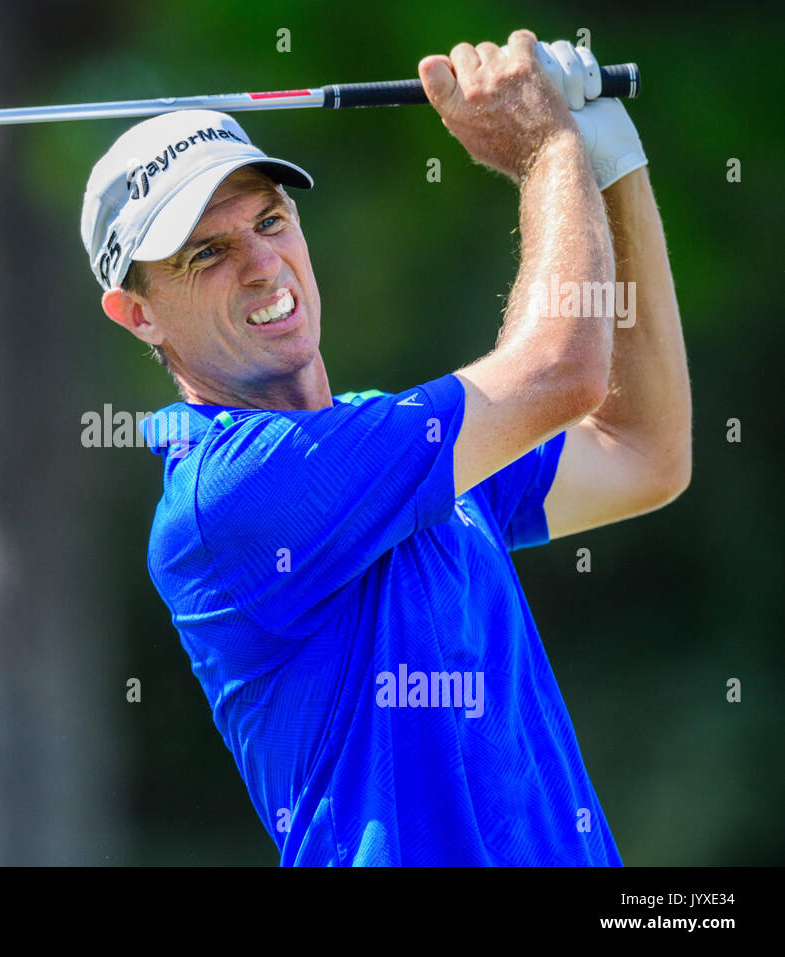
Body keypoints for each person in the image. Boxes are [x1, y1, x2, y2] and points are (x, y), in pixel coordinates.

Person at [79, 29, 690, 865]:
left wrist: (613, 169)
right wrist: (547, 149)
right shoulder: (227, 498)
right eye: (208, 254)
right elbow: (559, 373)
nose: (265, 265)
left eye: (270, 220)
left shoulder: (392, 442)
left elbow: (641, 449)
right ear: (137, 312)